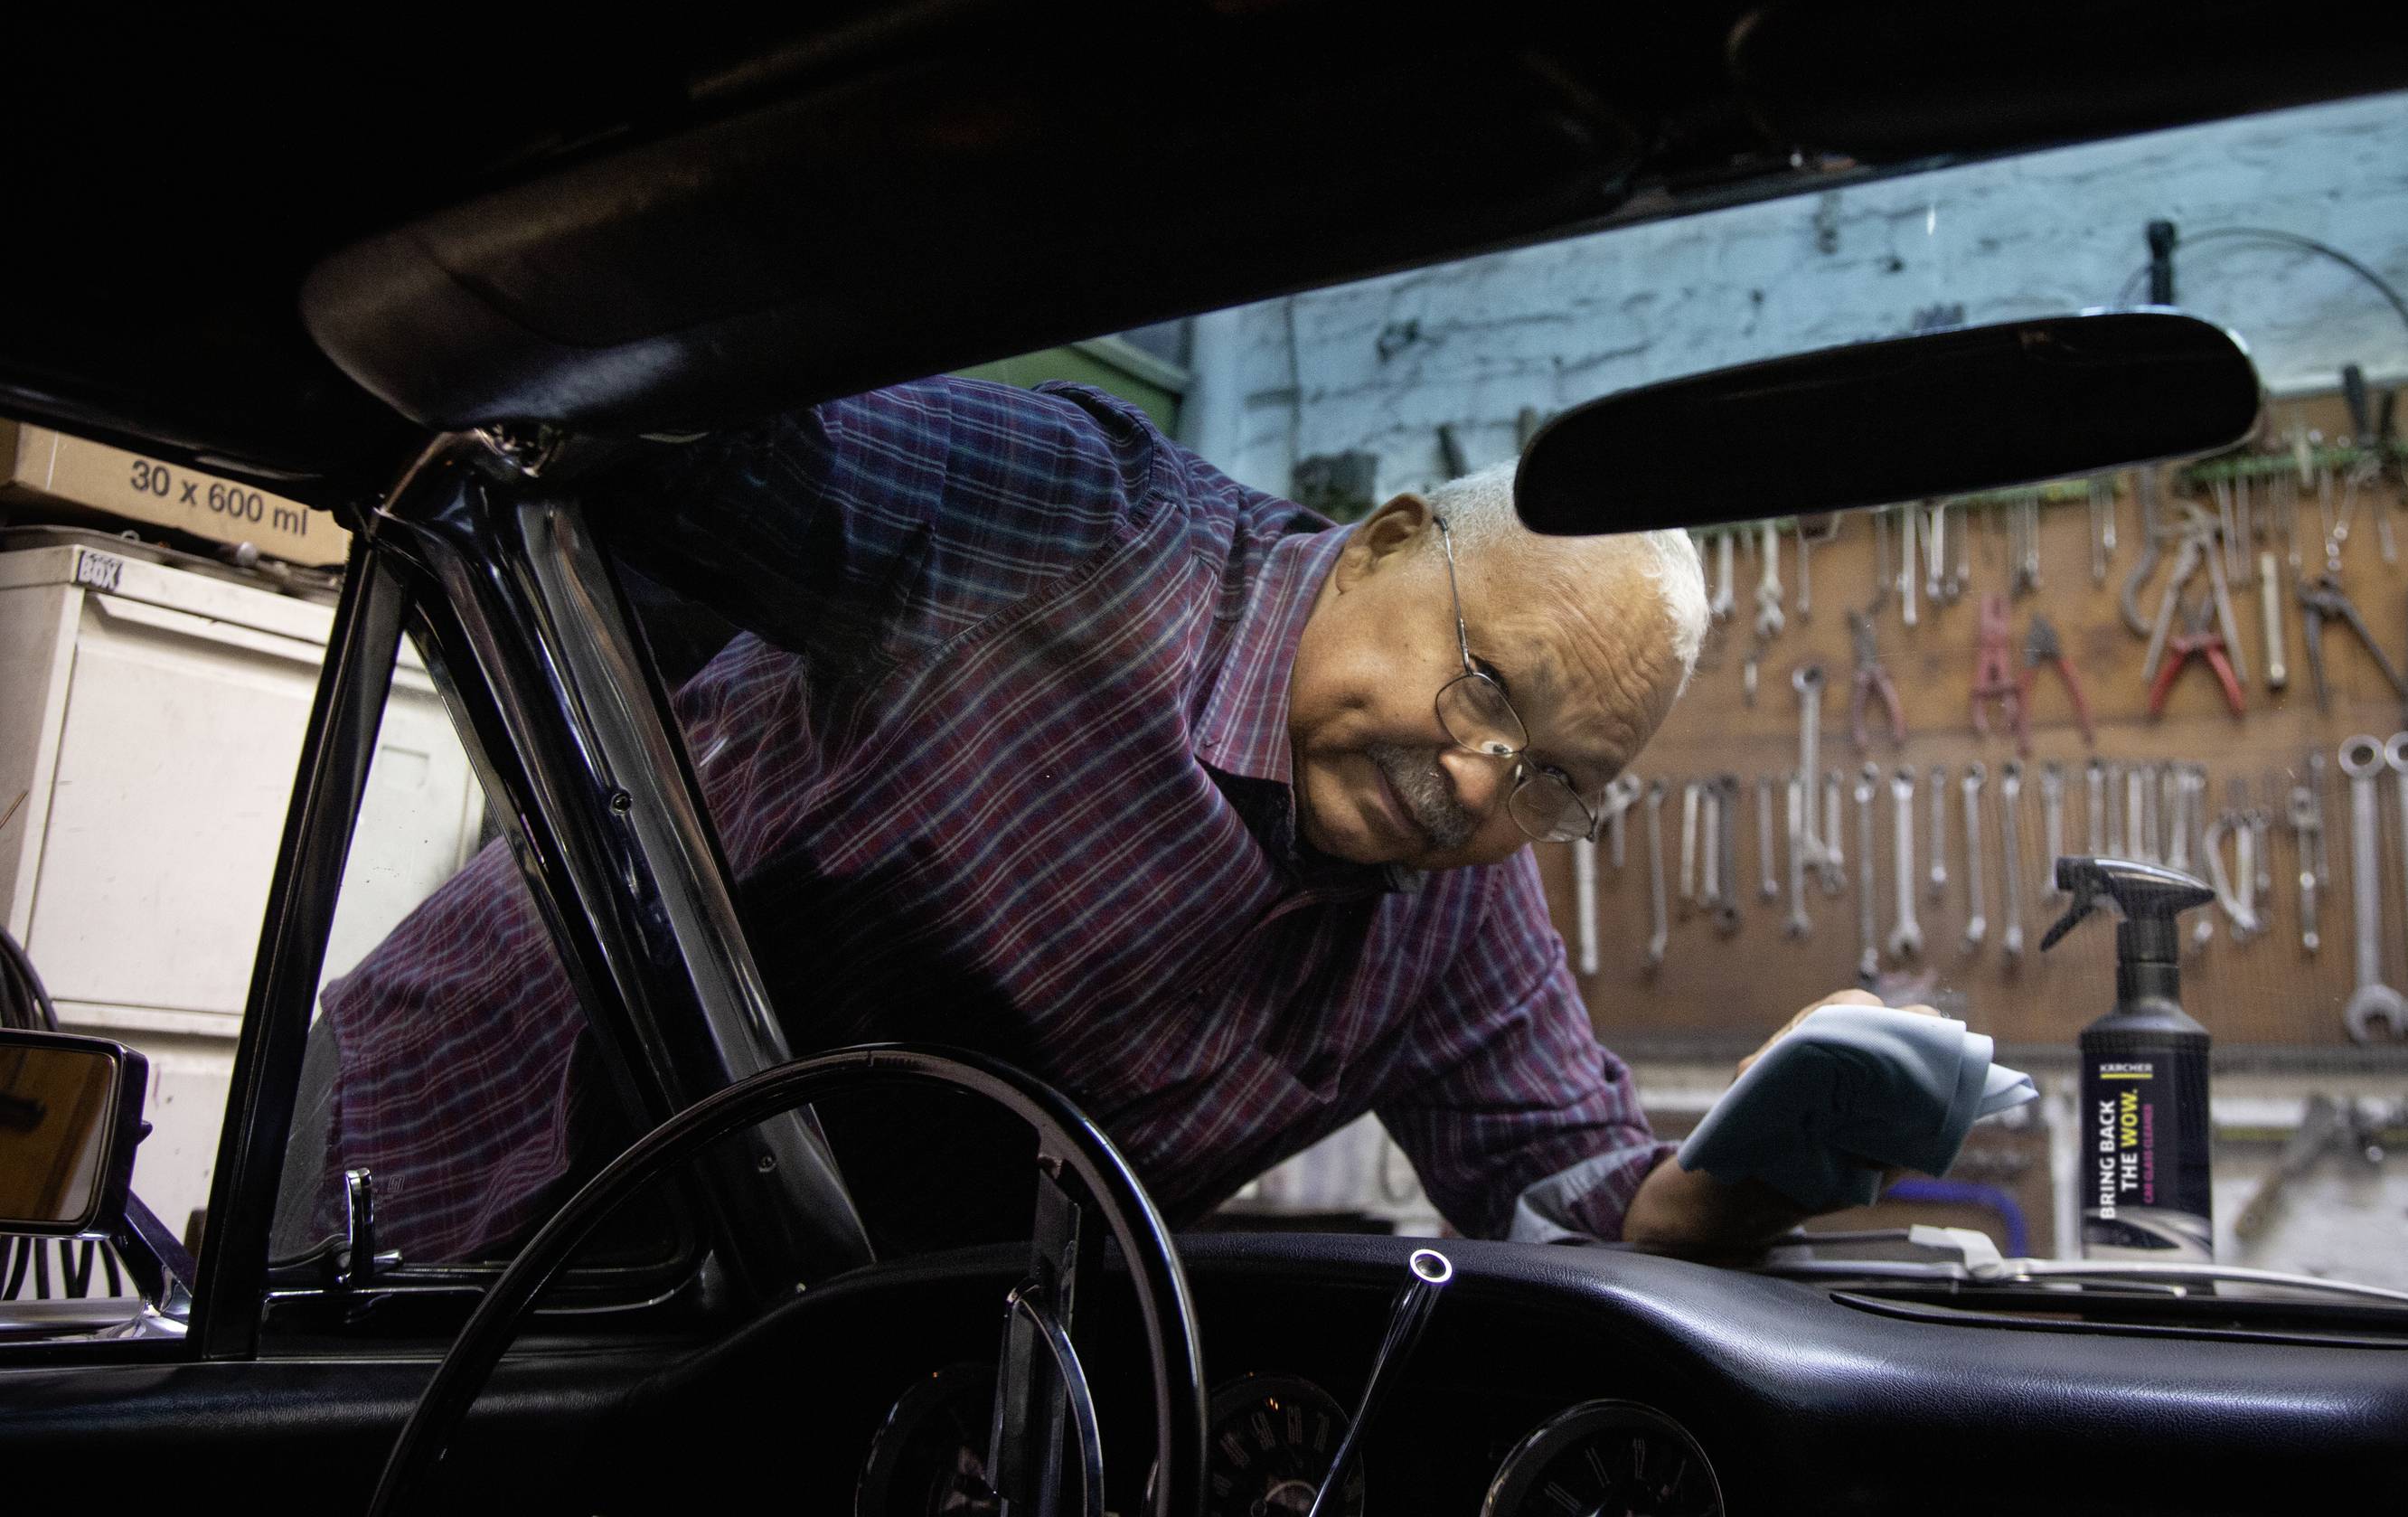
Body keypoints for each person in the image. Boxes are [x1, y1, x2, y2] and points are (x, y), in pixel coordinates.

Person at [279, 375, 1865, 1261]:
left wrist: (1782, 1148)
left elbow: (1565, 1185)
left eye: (1554, 783)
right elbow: (638, 444)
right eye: (1484, 692)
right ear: (1383, 546)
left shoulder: (1454, 912)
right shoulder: (1069, 523)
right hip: (428, 1137)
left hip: (773, 1341)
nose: (1476, 784)